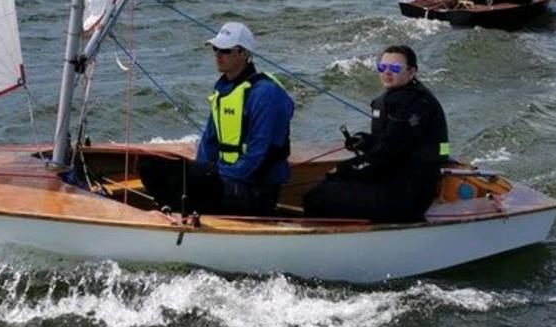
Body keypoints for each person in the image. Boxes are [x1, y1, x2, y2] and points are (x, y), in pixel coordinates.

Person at [137, 20, 294, 218]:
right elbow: (208, 145)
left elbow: (257, 156)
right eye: (215, 48)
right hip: (226, 180)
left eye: (226, 50)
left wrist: (211, 175)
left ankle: (184, 216)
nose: (218, 54)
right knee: (149, 165)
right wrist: (201, 172)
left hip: (254, 190)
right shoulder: (224, 90)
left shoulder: (265, 94)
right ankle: (175, 213)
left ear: (244, 54)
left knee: (185, 177)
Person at [302, 45, 448, 223]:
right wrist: (364, 141)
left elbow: (387, 156)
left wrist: (344, 168)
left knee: (315, 197)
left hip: (407, 195)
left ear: (411, 72)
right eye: (382, 67)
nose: (387, 73)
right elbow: (392, 145)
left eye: (394, 68)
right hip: (396, 180)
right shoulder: (401, 98)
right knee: (329, 186)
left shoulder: (412, 105)